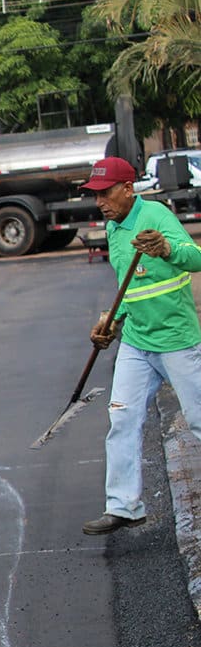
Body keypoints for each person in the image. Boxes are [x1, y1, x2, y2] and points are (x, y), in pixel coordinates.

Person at [80, 154, 201, 535]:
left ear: (128, 189)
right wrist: (111, 322)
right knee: (123, 418)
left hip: (176, 340)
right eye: (94, 195)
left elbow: (195, 259)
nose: (99, 202)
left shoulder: (156, 216)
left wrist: (168, 249)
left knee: (199, 420)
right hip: (136, 341)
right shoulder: (115, 228)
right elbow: (129, 287)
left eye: (105, 193)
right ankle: (124, 506)